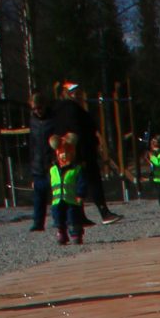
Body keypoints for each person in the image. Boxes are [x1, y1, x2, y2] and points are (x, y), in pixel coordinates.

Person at [48, 83, 116, 222]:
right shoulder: (71, 109)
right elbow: (77, 132)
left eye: (78, 92)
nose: (77, 95)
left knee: (77, 185)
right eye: (74, 92)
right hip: (81, 152)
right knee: (91, 182)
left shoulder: (62, 110)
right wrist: (83, 152)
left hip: (71, 153)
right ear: (66, 93)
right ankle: (104, 213)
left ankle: (79, 216)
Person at [49, 132, 86, 244]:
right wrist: (37, 185)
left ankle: (76, 233)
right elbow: (48, 182)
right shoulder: (53, 169)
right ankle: (61, 233)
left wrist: (80, 194)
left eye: (67, 152)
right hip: (57, 200)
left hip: (72, 200)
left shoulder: (76, 169)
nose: (64, 155)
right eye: (61, 153)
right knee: (58, 218)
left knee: (73, 217)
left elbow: (82, 183)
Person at [26, 92, 51, 231]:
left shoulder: (52, 119)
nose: (37, 111)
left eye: (39, 108)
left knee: (57, 194)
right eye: (34, 109)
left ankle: (59, 219)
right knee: (38, 195)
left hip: (51, 162)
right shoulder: (33, 121)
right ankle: (38, 222)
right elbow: (32, 144)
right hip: (37, 163)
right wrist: (32, 163)